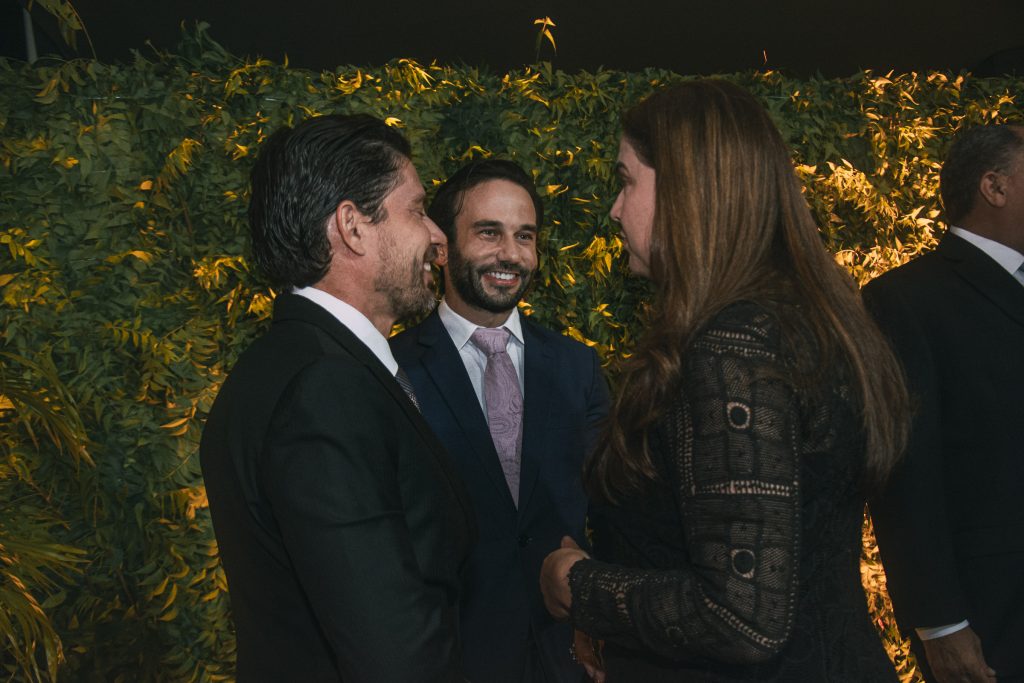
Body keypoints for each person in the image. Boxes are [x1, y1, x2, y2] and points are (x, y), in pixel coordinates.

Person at [538, 80, 910, 681]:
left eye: (627, 179)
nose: (614, 206)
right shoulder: (809, 325)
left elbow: (744, 617)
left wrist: (577, 584)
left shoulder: (732, 349)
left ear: (687, 189)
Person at [199, 114, 477, 682]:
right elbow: (394, 655)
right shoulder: (325, 388)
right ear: (352, 226)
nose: (438, 237)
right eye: (418, 210)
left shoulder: (288, 365)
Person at [390, 159, 610, 683]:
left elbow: (613, 509)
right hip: (448, 660)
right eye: (489, 233)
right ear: (442, 246)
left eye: (525, 236)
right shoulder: (393, 370)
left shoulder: (578, 368)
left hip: (568, 660)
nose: (510, 254)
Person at [864, 124, 1024, 683]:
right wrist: (939, 624)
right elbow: (904, 473)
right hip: (994, 614)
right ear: (994, 187)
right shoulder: (904, 299)